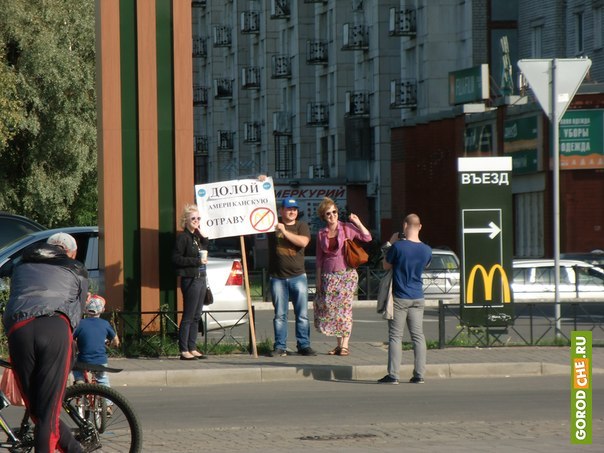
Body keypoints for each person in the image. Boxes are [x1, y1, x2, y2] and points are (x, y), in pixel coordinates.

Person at [3, 232, 90, 452]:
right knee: (48, 413)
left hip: (19, 330)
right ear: (71, 252)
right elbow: (76, 313)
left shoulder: (21, 263)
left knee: (37, 408)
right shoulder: (76, 268)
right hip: (54, 329)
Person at [378, 213, 432, 385]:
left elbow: (385, 265)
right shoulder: (426, 249)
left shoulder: (398, 247)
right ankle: (419, 374)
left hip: (400, 297)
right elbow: (426, 265)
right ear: (420, 227)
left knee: (395, 336)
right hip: (418, 296)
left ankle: (393, 375)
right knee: (418, 336)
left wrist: (390, 244)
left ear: (404, 226)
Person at [314, 197, 371, 356]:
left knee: (344, 310)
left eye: (334, 212)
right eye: (328, 214)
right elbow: (319, 257)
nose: (332, 216)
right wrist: (318, 278)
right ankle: (339, 345)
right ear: (323, 217)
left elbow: (367, 238)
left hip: (346, 274)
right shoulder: (321, 233)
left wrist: (358, 223)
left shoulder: (346, 228)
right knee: (332, 311)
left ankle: (345, 344)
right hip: (328, 275)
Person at [267, 197, 316, 357]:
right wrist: (260, 182)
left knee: (301, 314)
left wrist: (284, 232)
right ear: (281, 211)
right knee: (280, 315)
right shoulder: (271, 225)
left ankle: (304, 345)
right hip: (277, 277)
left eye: (294, 209)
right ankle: (280, 346)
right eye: (288, 209)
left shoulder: (301, 226)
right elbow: (260, 208)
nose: (292, 212)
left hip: (298, 276)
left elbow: (303, 242)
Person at [172, 203, 210, 360]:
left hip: (201, 279)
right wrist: (196, 261)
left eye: (198, 218)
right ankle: (184, 349)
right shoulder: (183, 237)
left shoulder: (196, 237)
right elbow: (175, 258)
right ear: (185, 220)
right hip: (191, 279)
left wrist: (203, 236)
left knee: (196, 315)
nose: (196, 220)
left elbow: (206, 248)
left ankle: (192, 347)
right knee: (188, 315)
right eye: (193, 218)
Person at [72, 295, 120, 386]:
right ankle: (107, 399)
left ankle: (80, 382)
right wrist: (110, 347)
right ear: (102, 310)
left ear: (86, 310)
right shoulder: (105, 324)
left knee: (75, 367)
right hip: (100, 361)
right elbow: (116, 342)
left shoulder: (80, 323)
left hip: (83, 360)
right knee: (103, 380)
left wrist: (76, 347)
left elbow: (71, 338)